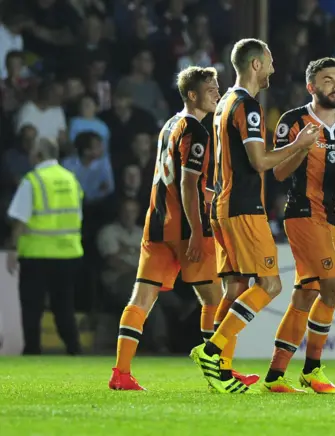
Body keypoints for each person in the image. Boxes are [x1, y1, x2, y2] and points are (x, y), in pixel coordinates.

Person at [190, 38, 320, 394]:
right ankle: (212, 351)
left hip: (222, 205)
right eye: (271, 62)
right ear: (256, 65)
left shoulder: (223, 104)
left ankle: (222, 371)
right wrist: (299, 146)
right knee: (270, 284)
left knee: (235, 287)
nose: (274, 69)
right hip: (243, 207)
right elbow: (259, 162)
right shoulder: (246, 107)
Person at [109, 66, 224, 391]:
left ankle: (121, 373)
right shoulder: (196, 130)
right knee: (215, 300)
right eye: (211, 88)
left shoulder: (168, 125)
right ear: (192, 94)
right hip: (186, 227)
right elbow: (189, 186)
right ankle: (219, 375)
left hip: (156, 223)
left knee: (141, 298)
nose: (217, 93)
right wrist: (199, 231)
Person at [262, 57, 335, 394]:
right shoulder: (293, 121)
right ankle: (312, 369)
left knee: (308, 292)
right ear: (311, 87)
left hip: (334, 218)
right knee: (334, 287)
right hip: (302, 213)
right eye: (327, 80)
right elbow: (278, 174)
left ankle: (275, 375)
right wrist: (301, 147)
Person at [6, 137, 83, 355]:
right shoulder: (71, 179)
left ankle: (32, 350)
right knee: (64, 307)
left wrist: (13, 249)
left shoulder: (33, 180)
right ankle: (74, 349)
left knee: (32, 307)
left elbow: (20, 219)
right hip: (68, 253)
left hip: (37, 254)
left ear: (38, 155)